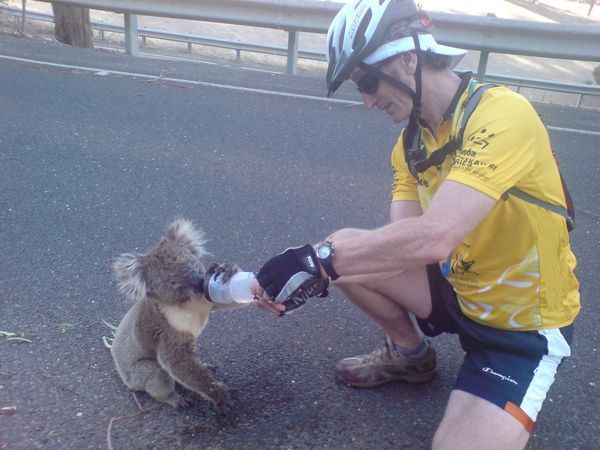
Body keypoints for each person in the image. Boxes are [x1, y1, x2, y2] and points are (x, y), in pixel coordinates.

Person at [252, 0, 580, 447]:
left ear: (409, 56)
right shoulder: (411, 143)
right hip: (459, 292)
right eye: (359, 88)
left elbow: (434, 238)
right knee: (347, 248)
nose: (367, 100)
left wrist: (319, 261)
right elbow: (399, 242)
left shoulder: (503, 115)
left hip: (519, 329)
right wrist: (322, 262)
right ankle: (411, 356)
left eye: (368, 81)